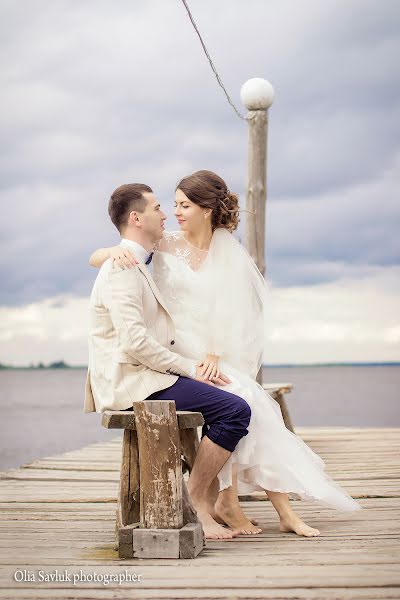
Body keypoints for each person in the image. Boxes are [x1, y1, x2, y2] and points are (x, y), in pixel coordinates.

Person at [90, 171, 362, 538]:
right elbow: (113, 271)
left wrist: (214, 352)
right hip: (170, 353)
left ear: (206, 209)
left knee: (251, 399)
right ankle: (228, 503)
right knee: (243, 399)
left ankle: (249, 505)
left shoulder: (225, 249)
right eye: (168, 205)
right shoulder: (152, 250)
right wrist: (110, 251)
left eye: (183, 204)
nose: (173, 212)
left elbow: (237, 312)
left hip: (198, 352)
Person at [84, 182, 253, 540]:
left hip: (147, 374)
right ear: (136, 218)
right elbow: (135, 344)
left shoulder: (138, 258)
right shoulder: (122, 267)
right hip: (132, 381)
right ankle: (194, 503)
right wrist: (191, 368)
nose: (165, 214)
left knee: (231, 399)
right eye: (158, 207)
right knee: (235, 410)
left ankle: (206, 500)